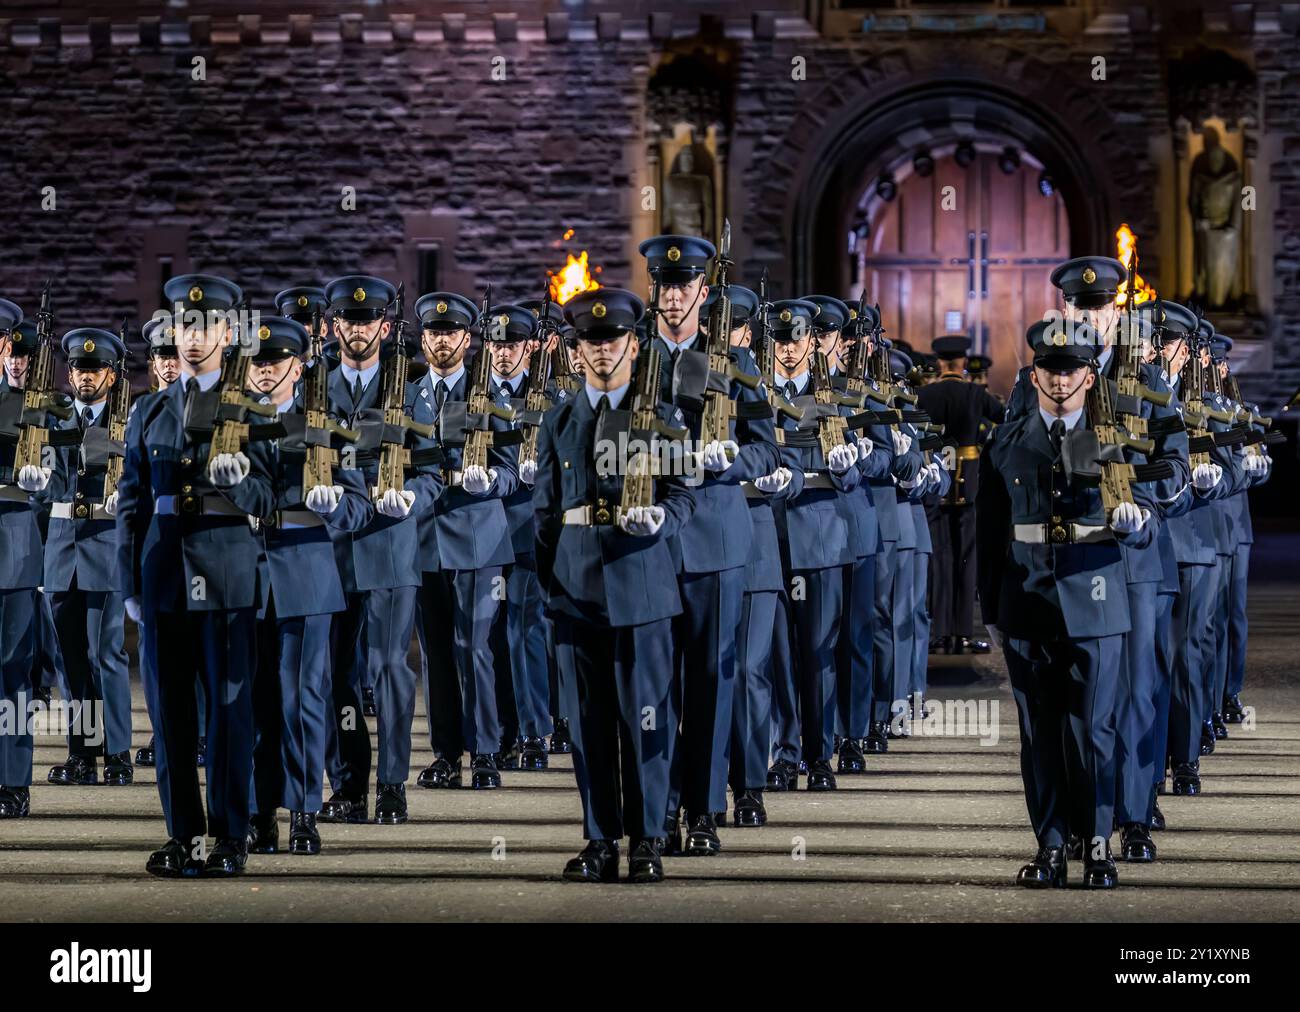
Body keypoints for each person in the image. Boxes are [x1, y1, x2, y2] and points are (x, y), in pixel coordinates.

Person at [977, 328, 1154, 889]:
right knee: (1040, 733)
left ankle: (1098, 845)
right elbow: (990, 535)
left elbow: (1145, 507)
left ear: (1088, 376)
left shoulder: (1117, 439)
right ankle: (1051, 846)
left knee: (1094, 730)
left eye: (1070, 368)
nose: (1059, 378)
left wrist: (1138, 525)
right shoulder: (1005, 443)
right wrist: (991, 608)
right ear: (1034, 377)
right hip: (1028, 602)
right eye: (1049, 369)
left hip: (1095, 599)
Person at [533, 287, 696, 884]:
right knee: (589, 722)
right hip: (576, 586)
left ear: (634, 345)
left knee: (648, 717)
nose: (602, 353)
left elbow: (685, 494)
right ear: (577, 352)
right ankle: (601, 839)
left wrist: (663, 520)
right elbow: (545, 513)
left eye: (613, 342)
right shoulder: (560, 417)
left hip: (642, 580)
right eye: (590, 344)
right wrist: (551, 585)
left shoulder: (663, 415)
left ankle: (649, 837)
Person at [115, 273, 276, 876]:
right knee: (171, 715)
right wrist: (129, 584)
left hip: (229, 576)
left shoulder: (250, 411)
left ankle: (231, 837)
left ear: (228, 333)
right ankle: (183, 835)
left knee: (233, 714)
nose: (194, 338)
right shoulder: (149, 409)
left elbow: (271, 496)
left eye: (206, 326)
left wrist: (242, 482)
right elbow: (131, 503)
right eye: (184, 326)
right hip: (162, 579)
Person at [639, 234, 780, 854]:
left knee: (712, 680)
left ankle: (702, 808)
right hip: (649, 539)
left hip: (718, 540)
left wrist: (732, 458)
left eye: (684, 286)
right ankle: (656, 809)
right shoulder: (632, 357)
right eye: (664, 286)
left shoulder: (732, 363)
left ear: (704, 290)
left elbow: (767, 444)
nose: (673, 297)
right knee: (653, 685)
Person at [246, 314, 373, 856]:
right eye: (257, 362)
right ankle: (256, 811)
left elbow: (362, 507)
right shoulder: (231, 424)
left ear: (298, 366)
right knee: (251, 702)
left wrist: (339, 504)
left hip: (306, 572)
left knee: (305, 697)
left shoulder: (324, 425)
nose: (265, 371)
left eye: (275, 361)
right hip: (244, 577)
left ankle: (303, 809)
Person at [410, 291, 518, 793]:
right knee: (434, 651)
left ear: (468, 340)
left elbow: (515, 469)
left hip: (476, 535)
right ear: (423, 338)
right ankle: (447, 753)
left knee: (473, 646)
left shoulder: (489, 396)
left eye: (450, 332)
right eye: (434, 332)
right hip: (425, 538)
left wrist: (491, 483)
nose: (442, 339)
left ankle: (487, 752)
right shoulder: (408, 397)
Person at [38, 327, 134, 788]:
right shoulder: (52, 421)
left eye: (95, 370)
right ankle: (82, 753)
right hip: (60, 548)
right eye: (79, 368)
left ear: (112, 376)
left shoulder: (127, 423)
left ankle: (117, 753)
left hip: (104, 543)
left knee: (105, 654)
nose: (86, 377)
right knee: (70, 661)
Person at [487, 304, 552, 770]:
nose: (502, 353)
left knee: (524, 629)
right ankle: (499, 731)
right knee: (487, 636)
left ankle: (533, 731)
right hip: (483, 529)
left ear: (529, 347)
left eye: (511, 345)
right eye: (495, 344)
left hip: (529, 527)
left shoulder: (548, 395)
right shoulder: (474, 393)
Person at [916, 335, 1004, 655]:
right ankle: (963, 633)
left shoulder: (925, 395)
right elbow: (1004, 420)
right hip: (969, 481)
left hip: (935, 478)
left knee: (941, 555)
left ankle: (939, 632)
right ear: (964, 363)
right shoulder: (974, 393)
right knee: (967, 557)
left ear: (939, 363)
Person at [0, 297, 41, 819]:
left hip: (10, 545)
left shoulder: (28, 406)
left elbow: (51, 471)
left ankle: (11, 779)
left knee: (11, 672)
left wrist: (36, 479)